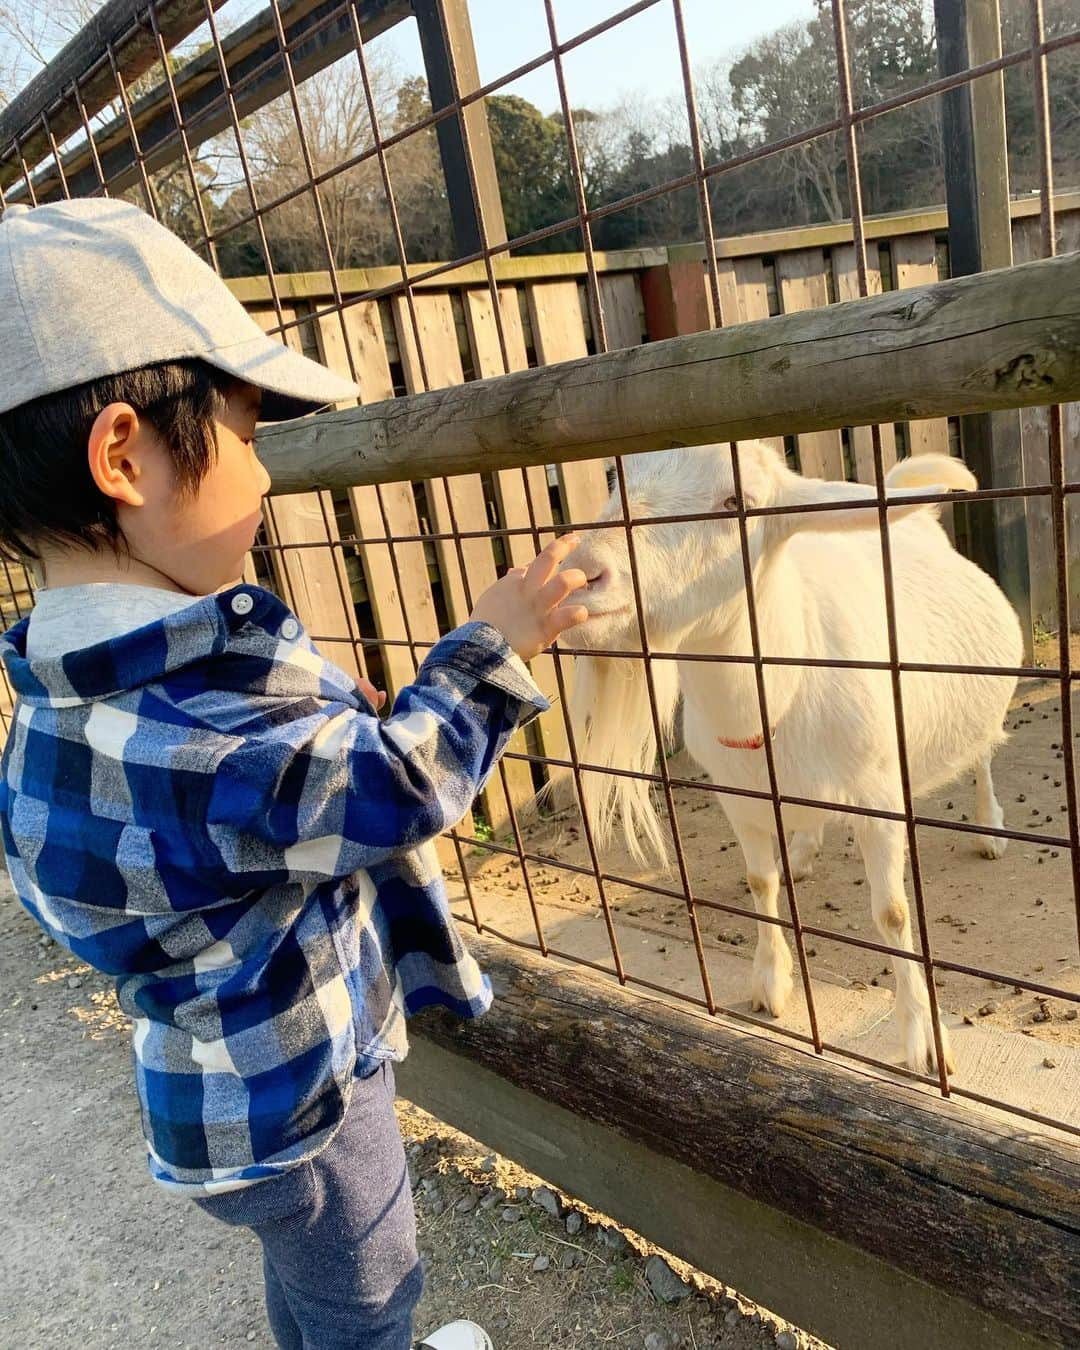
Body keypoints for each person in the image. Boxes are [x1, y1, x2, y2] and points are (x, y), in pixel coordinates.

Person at [0, 198, 589, 1350]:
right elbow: (394, 790)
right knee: (371, 1293)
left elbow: (166, 835)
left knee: (313, 1281)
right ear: (124, 455)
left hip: (207, 1103)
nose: (268, 473)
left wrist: (311, 750)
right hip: (305, 1100)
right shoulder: (199, 716)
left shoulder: (61, 696)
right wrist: (490, 649)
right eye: (249, 432)